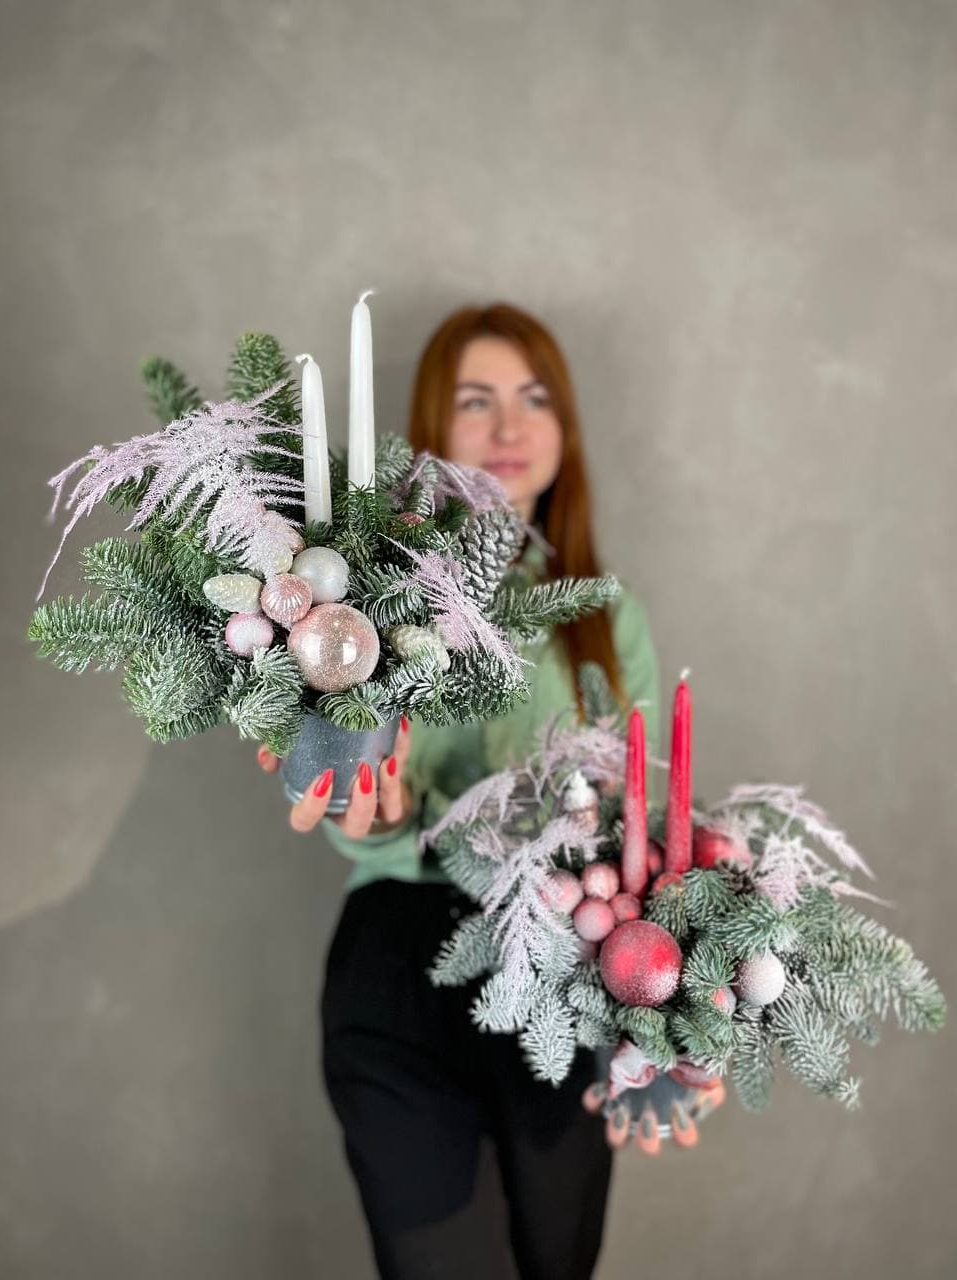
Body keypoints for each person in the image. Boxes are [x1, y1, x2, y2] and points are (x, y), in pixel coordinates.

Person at [257, 304, 690, 1279]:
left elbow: (637, 822)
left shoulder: (607, 617)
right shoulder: (373, 597)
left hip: (561, 974)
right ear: (431, 429)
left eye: (535, 399)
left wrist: (670, 1012)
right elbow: (361, 782)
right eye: (475, 400)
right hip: (399, 963)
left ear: (564, 429)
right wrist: (379, 809)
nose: (509, 426)